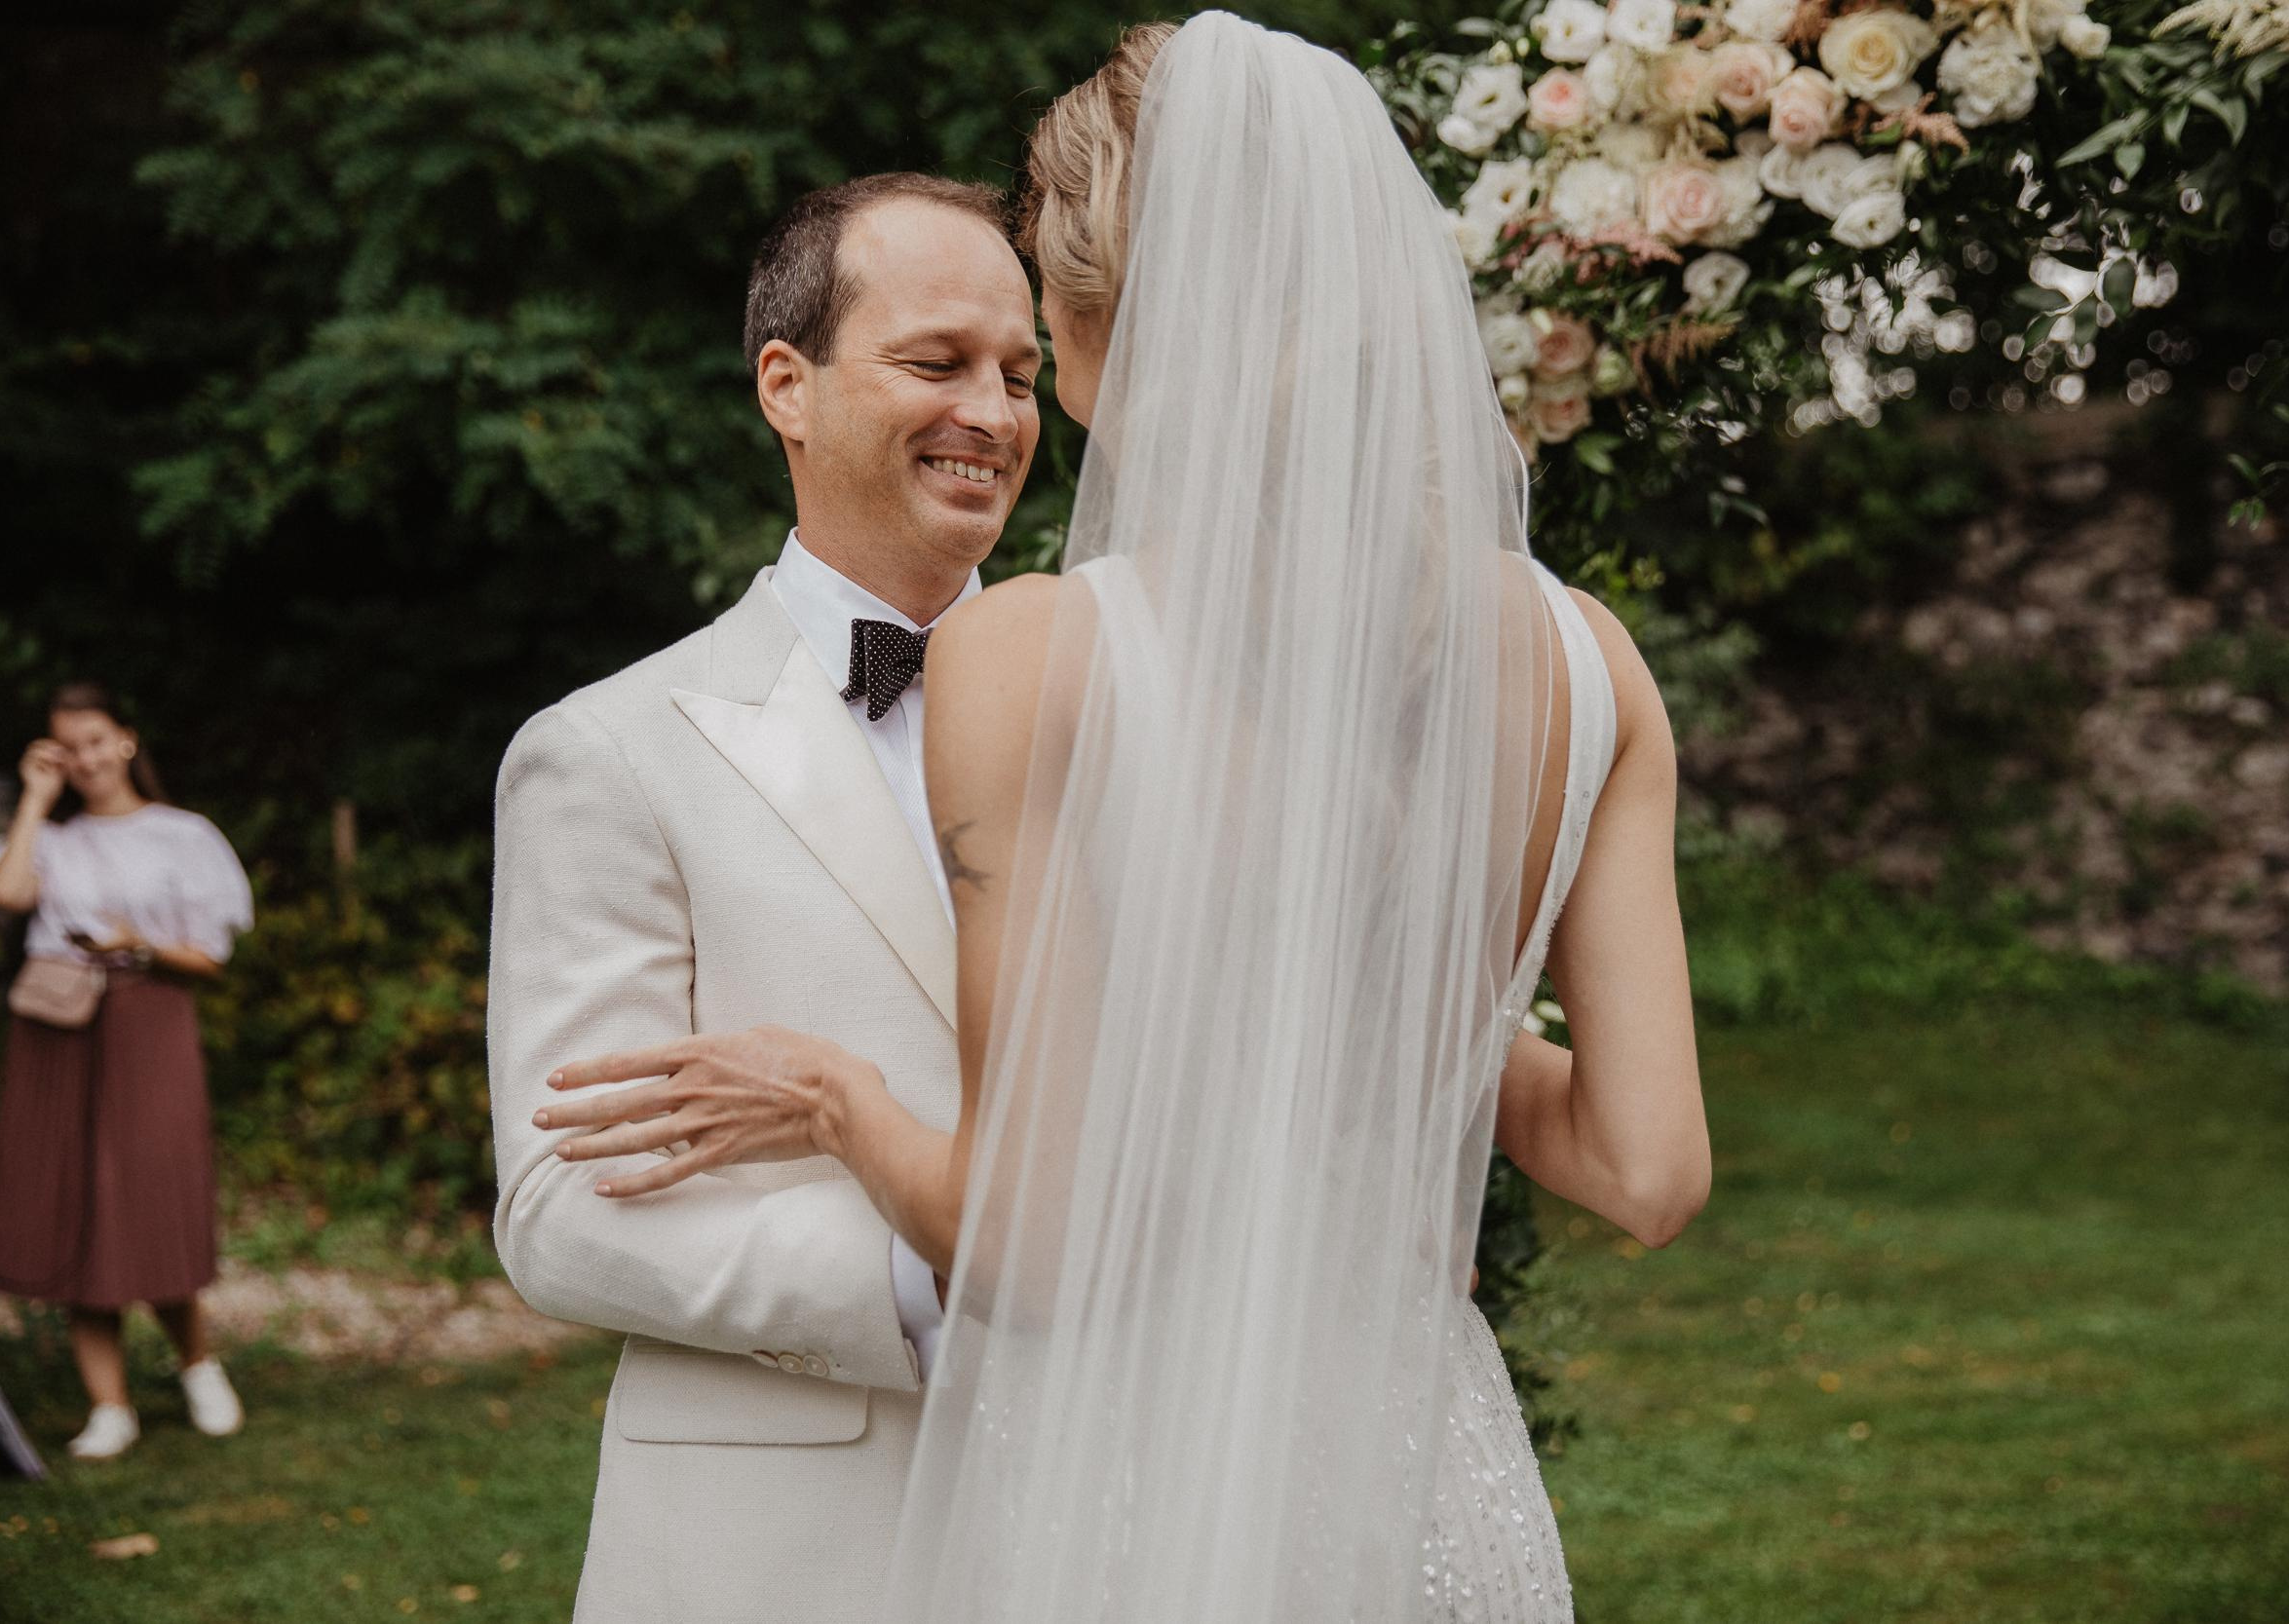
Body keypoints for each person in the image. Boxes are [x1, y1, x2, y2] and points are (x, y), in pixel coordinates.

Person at [543, 15, 1709, 1619]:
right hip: (1423, 1466)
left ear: (1105, 312)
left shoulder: (1035, 652)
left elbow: (1027, 1239)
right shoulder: (1595, 663)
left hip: (1136, 1477)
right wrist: (1373, 1018)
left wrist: (836, 1101)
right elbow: (1641, 1164)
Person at [485, 172, 1044, 1621]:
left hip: (1106, 1501)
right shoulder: (609, 747)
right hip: (780, 1539)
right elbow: (559, 1200)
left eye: (1022, 373)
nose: (993, 411)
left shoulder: (1129, 710)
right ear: (787, 387)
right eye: (938, 362)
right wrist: (932, 1286)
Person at [0, 682, 253, 1460]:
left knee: (151, 1193)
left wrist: (138, 943)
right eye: (67, 747)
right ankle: (110, 1406)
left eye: (96, 740)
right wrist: (35, 798)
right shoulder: (52, 839)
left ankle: (198, 1364)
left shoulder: (184, 835)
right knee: (69, 1203)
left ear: (126, 739)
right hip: (55, 1029)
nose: (86, 759)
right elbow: (5, 891)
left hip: (149, 1020)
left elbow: (212, 957)